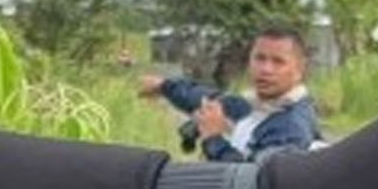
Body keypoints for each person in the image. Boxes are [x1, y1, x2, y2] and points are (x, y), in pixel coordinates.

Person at [137, 27, 320, 163]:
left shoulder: (291, 127)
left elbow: (255, 185)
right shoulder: (258, 104)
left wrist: (213, 139)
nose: (265, 69)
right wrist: (163, 86)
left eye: (278, 62)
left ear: (299, 69)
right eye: (259, 58)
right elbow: (205, 98)